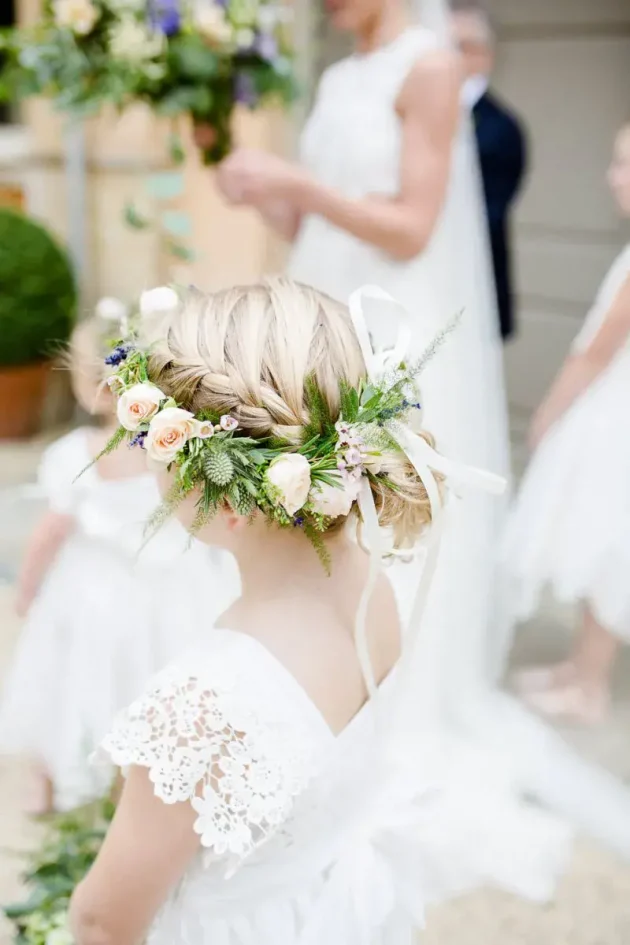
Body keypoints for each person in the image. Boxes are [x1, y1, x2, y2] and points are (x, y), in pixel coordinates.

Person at [68, 279, 561, 945]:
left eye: (155, 438)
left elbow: (102, 919)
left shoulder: (199, 706)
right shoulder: (370, 588)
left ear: (225, 492)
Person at [0, 301, 238, 813]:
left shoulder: (76, 453)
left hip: (92, 594)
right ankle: (136, 786)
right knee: (147, 680)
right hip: (171, 591)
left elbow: (49, 533)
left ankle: (52, 782)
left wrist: (27, 589)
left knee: (71, 680)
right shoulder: (174, 449)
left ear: (91, 386)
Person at [502, 124, 630, 724]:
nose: (612, 176)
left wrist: (550, 413)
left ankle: (591, 686)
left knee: (608, 544)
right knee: (596, 538)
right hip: (612, 408)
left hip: (612, 414)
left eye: (624, 165)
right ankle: (579, 668)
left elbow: (594, 352)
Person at [450, 0, 527, 340]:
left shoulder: (503, 128)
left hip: (473, 284)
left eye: (458, 46)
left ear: (483, 56)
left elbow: (489, 213)